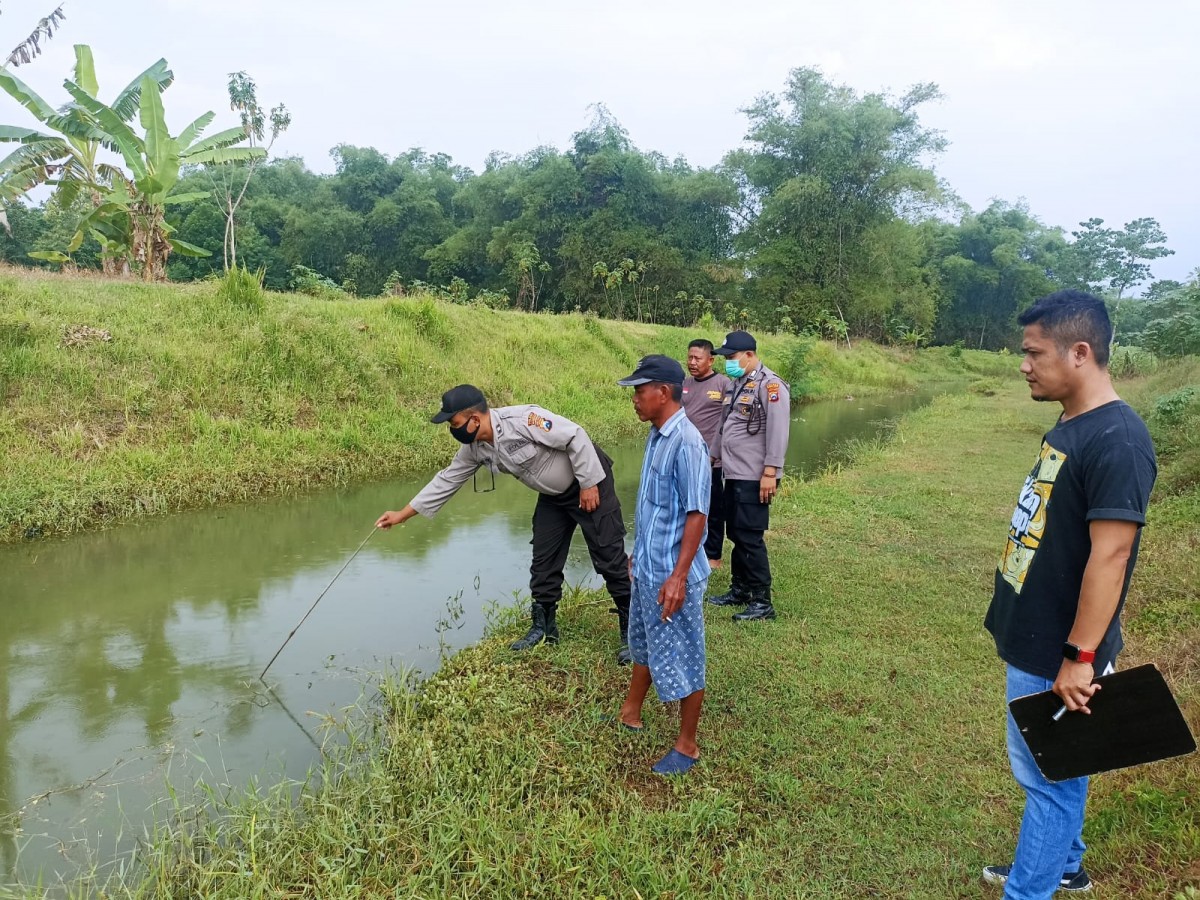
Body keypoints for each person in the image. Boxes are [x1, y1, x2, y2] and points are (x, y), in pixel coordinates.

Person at [982, 291, 1157, 899]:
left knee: (1047, 780)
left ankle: (1028, 891)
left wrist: (1080, 658)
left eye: (1033, 352)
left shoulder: (1119, 440)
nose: (1023, 364)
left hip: (1060, 648)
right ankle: (1064, 863)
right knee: (1063, 763)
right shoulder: (1074, 422)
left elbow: (1111, 555)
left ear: (1079, 352)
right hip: (1036, 632)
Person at [375, 384, 633, 664]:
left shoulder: (524, 420)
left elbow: (575, 436)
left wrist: (589, 482)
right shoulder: (475, 448)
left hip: (589, 481)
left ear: (475, 419)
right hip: (553, 497)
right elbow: (447, 480)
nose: (453, 430)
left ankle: (633, 632)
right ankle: (544, 629)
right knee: (543, 558)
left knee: (608, 555)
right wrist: (402, 514)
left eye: (454, 423)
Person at [615, 355, 710, 776]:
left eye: (639, 391)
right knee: (644, 640)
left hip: (674, 575)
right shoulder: (657, 434)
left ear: (663, 393)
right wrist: (640, 552)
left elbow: (696, 514)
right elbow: (655, 506)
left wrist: (678, 576)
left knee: (685, 653)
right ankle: (630, 713)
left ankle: (687, 746)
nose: (634, 399)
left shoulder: (687, 442)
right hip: (649, 567)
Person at [705, 330, 791, 621]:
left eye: (731, 357)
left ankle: (762, 601)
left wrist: (771, 471)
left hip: (755, 474)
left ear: (750, 355)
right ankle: (740, 589)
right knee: (736, 533)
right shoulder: (735, 385)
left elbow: (779, 431)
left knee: (749, 536)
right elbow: (723, 424)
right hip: (733, 471)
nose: (728, 362)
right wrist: (714, 456)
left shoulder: (771, 386)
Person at [681, 338, 733, 569]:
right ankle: (688, 551)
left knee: (712, 509)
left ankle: (713, 556)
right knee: (685, 506)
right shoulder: (684, 383)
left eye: (697, 358)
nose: (692, 362)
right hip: (685, 457)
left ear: (710, 360)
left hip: (711, 459)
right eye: (689, 357)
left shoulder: (723, 384)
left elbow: (731, 421)